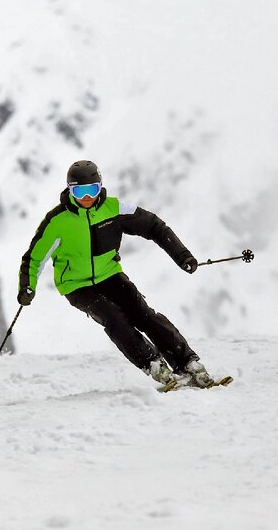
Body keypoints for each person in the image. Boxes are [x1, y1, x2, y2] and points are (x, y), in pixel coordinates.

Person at [17, 160, 216, 389]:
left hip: (110, 275)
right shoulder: (57, 221)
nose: (86, 198)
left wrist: (182, 256)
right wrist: (27, 287)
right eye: (79, 192)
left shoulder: (114, 209)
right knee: (114, 319)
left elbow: (155, 227)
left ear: (100, 187)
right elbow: (33, 258)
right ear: (70, 191)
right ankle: (152, 364)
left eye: (91, 190)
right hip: (76, 286)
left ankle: (187, 362)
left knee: (144, 315)